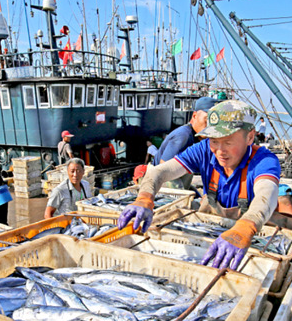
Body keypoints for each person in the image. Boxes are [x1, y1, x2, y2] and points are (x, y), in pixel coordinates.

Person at [118, 99, 282, 270]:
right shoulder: (203, 149)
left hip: (251, 238)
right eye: (214, 141)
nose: (220, 150)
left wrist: (246, 227)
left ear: (249, 137)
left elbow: (267, 194)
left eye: (228, 142)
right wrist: (145, 198)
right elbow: (160, 171)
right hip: (213, 232)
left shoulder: (264, 160)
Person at [154, 96, 218, 189]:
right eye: (207, 119)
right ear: (195, 116)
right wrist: (181, 194)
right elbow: (164, 167)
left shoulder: (198, 138)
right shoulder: (184, 136)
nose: (210, 125)